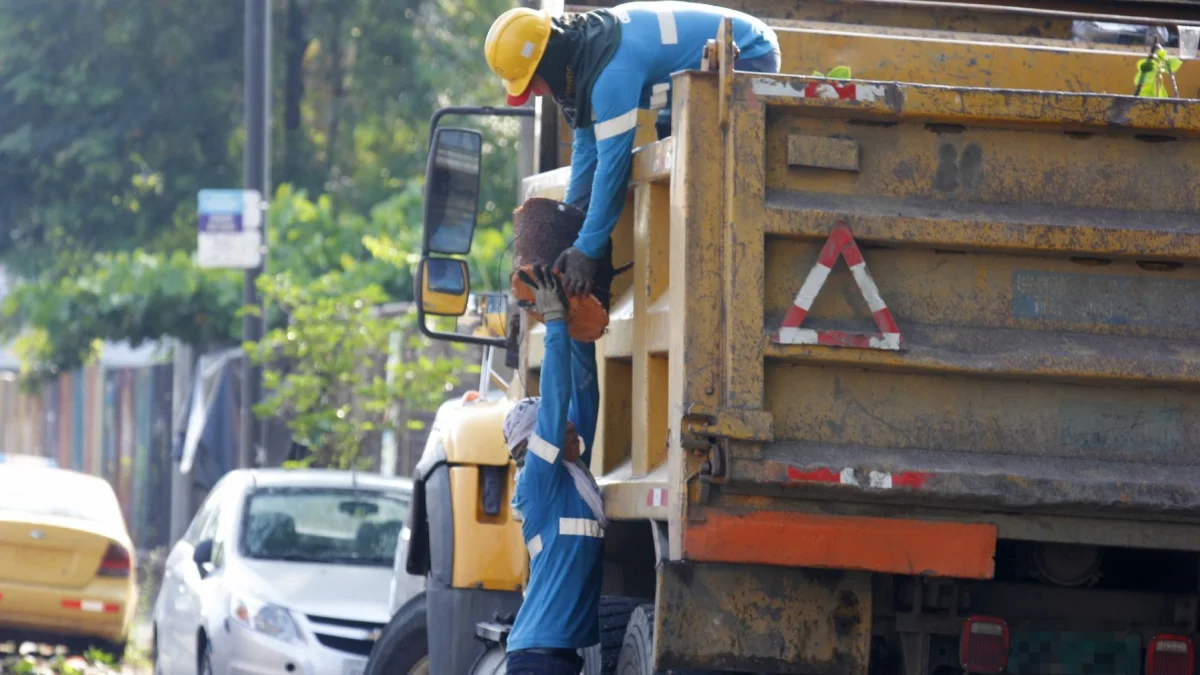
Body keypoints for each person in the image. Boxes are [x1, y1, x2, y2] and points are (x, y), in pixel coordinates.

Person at [484, 1, 781, 296]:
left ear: (547, 63)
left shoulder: (610, 73)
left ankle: (720, 281)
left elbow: (613, 165)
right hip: (692, 71)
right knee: (674, 139)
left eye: (532, 83)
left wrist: (587, 249)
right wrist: (568, 227)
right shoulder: (588, 55)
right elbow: (587, 153)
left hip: (749, 52)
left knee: (699, 162)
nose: (535, 92)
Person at [502, 265, 609, 675]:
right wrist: (555, 322)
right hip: (538, 659)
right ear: (534, 445)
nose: (569, 424)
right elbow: (556, 398)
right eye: (557, 423)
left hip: (551, 657)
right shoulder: (538, 483)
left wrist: (580, 327)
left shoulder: (571, 474)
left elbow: (583, 394)